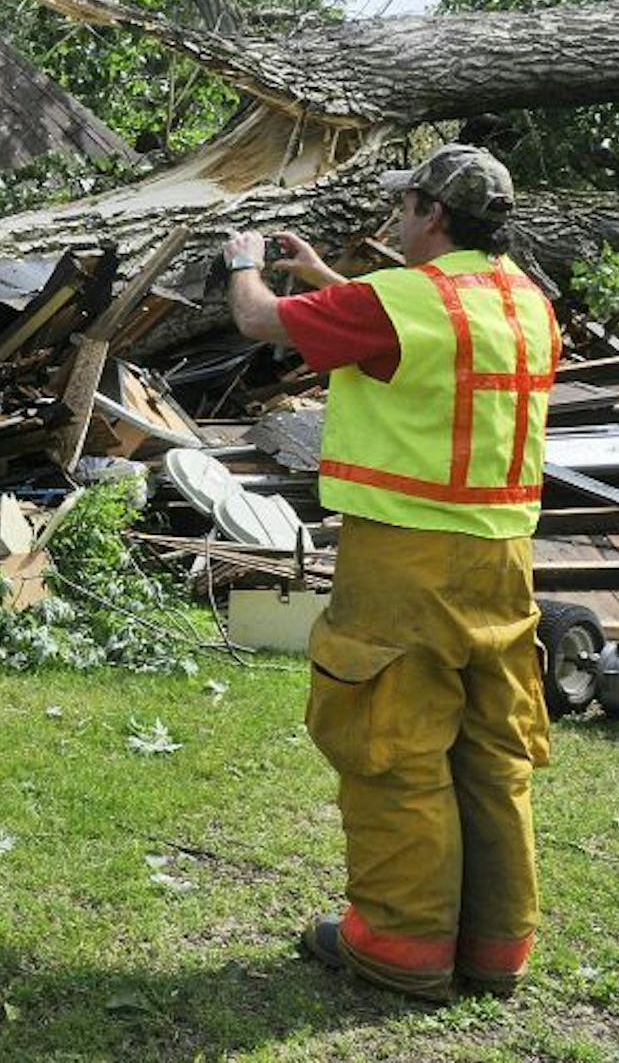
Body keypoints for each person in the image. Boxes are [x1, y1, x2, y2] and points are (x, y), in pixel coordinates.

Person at [221, 144, 559, 1003]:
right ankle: (496, 947)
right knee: (492, 751)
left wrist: (243, 262)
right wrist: (327, 277)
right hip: (506, 560)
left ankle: (402, 945)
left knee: (394, 741)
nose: (399, 220)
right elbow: (419, 342)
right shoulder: (523, 303)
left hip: (409, 559)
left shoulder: (399, 302)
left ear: (432, 214)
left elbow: (259, 320)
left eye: (406, 206)